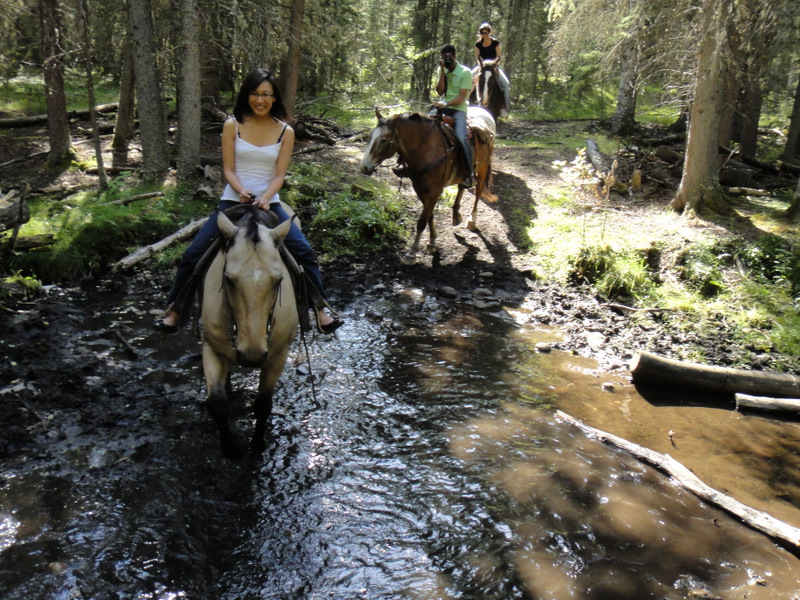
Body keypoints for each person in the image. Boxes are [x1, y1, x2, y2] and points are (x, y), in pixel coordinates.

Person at [155, 68, 343, 335]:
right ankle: (175, 310)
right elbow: (228, 169)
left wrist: (266, 198)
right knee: (193, 254)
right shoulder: (233, 124)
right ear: (247, 95)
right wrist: (241, 190)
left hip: (270, 202)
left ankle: (320, 309)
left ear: (274, 98)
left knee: (304, 252)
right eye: (255, 93)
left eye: (266, 94)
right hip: (233, 200)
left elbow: (279, 174)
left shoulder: (285, 131)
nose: (260, 99)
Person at [432, 43, 475, 188]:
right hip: (443, 106)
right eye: (444, 58)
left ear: (455, 56)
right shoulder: (443, 70)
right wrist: (443, 71)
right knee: (424, 124)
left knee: (461, 138)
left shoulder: (465, 72)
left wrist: (444, 104)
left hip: (458, 109)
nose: (447, 60)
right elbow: (440, 91)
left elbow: (462, 97)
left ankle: (469, 173)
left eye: (449, 58)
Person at [472, 22, 510, 117]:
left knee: (505, 84)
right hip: (482, 66)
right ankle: (464, 101)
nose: (484, 34)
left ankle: (505, 108)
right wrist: (480, 66)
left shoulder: (495, 43)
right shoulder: (478, 44)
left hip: (493, 66)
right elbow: (477, 57)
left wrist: (495, 67)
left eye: (486, 32)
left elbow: (498, 56)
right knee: (468, 77)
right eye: (482, 32)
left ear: (489, 32)